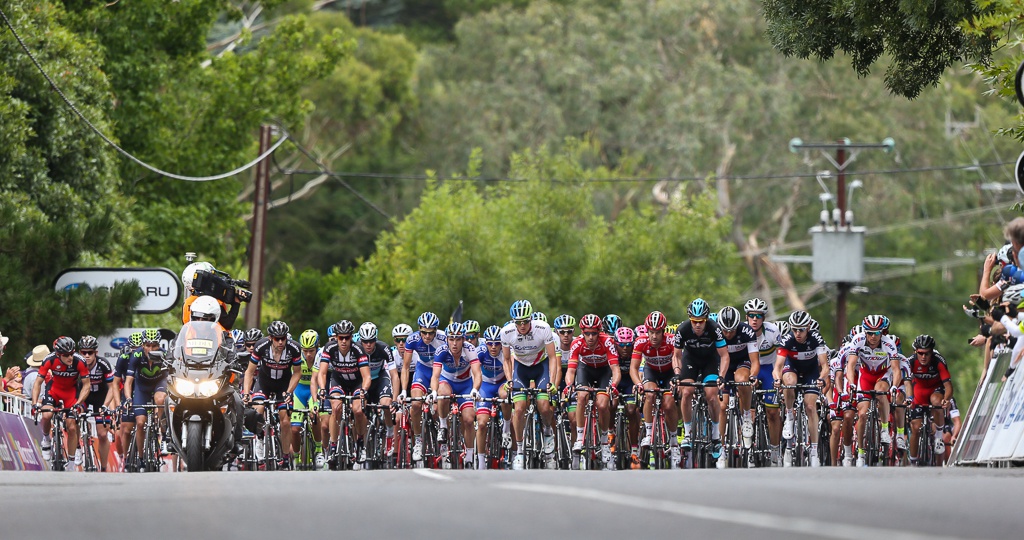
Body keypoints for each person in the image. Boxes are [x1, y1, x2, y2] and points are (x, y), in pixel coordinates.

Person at [501, 300, 559, 470]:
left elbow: (553, 357)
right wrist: (509, 380)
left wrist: (552, 382)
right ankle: (519, 451)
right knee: (518, 409)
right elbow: (506, 359)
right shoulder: (506, 332)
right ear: (513, 321)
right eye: (518, 322)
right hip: (521, 368)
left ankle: (548, 432)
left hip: (540, 366)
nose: (522, 325)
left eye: (526, 321)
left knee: (544, 406)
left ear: (531, 318)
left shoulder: (543, 328)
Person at [673, 298, 730, 461]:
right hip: (690, 360)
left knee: (712, 395)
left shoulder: (714, 328)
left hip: (709, 361)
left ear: (706, 320)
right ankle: (688, 432)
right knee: (686, 392)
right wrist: (677, 373)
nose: (697, 325)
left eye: (701, 322)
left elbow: (724, 355)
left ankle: (715, 437)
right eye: (694, 321)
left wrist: (722, 376)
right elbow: (676, 355)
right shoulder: (683, 329)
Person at [243, 320, 303, 469]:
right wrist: (246, 393)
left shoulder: (294, 348)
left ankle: (285, 456)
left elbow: (297, 373)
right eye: (277, 339)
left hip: (283, 384)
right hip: (264, 382)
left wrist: (289, 392)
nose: (281, 341)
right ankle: (261, 440)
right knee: (258, 410)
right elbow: (250, 372)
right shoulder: (261, 346)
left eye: (283, 338)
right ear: (270, 338)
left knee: (285, 420)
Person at [773, 310, 829, 467]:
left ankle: (814, 451)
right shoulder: (787, 340)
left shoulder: (816, 339)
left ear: (809, 327)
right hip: (793, 368)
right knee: (789, 382)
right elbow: (777, 367)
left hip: (811, 371)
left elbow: (825, 367)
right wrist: (777, 379)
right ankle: (789, 416)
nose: (797, 333)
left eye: (801, 330)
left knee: (810, 407)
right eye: (794, 329)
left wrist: (821, 379)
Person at [846, 314, 902, 467]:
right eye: (869, 333)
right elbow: (850, 366)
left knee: (880, 392)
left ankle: (884, 429)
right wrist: (851, 384)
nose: (873, 336)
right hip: (865, 376)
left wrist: (895, 386)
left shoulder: (888, 343)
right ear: (864, 332)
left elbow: (897, 370)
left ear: (881, 332)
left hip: (882, 375)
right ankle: (861, 454)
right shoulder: (857, 340)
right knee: (862, 414)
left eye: (876, 333)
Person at [565, 313, 619, 467]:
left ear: (599, 332)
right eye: (587, 333)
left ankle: (604, 442)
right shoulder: (576, 343)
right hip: (586, 369)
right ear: (582, 332)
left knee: (602, 404)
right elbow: (571, 370)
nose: (590, 337)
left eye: (594, 333)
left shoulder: (607, 341)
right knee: (581, 396)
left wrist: (613, 385)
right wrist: (569, 385)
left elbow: (615, 369)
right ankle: (580, 438)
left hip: (604, 371)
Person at [318, 320, 371, 466]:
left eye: (346, 338)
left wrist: (363, 390)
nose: (343, 341)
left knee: (358, 411)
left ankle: (360, 443)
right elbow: (322, 373)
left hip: (356, 383)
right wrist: (322, 389)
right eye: (340, 337)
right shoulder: (329, 348)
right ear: (336, 337)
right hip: (339, 381)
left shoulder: (358, 349)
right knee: (335, 408)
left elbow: (366, 376)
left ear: (350, 337)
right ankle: (333, 446)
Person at [631, 311, 681, 466]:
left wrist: (677, 378)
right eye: (651, 332)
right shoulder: (640, 342)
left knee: (668, 403)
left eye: (657, 332)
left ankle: (673, 440)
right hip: (650, 371)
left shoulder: (672, 341)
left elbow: (679, 360)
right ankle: (648, 430)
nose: (654, 336)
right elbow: (633, 368)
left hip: (668, 372)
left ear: (663, 331)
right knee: (649, 394)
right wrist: (638, 384)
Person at [32, 336, 90, 470]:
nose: (70, 358)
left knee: (71, 426)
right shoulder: (49, 360)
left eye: (72, 353)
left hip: (71, 392)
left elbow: (87, 385)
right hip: (54, 390)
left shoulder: (80, 362)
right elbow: (38, 383)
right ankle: (46, 438)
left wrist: (79, 403)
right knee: (46, 415)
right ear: (58, 355)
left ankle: (70, 463)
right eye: (66, 355)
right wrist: (35, 404)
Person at [430, 323, 482, 467]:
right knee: (443, 392)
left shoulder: (470, 349)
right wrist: (433, 391)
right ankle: (443, 426)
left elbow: (477, 374)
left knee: (469, 419)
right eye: (451, 339)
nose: (454, 343)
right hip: (447, 382)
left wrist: (475, 389)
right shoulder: (441, 351)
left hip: (465, 385)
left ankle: (470, 456)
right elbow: (435, 376)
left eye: (458, 339)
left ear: (463, 339)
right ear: (446, 339)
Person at [716, 306, 760, 467]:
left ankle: (746, 417)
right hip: (723, 366)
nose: (728, 334)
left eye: (731, 331)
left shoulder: (747, 331)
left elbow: (755, 361)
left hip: (742, 363)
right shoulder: (716, 331)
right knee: (721, 406)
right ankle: (720, 449)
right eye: (725, 331)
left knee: (742, 379)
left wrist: (753, 376)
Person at [355, 322, 399, 462]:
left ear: (376, 339)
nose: (368, 345)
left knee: (386, 404)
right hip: (362, 381)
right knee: (358, 409)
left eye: (371, 341)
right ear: (360, 340)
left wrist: (395, 399)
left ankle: (390, 433)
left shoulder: (384, 348)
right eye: (365, 341)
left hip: (380, 378)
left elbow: (394, 375)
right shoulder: (355, 348)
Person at [907, 334, 953, 464]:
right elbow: (904, 383)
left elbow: (948, 386)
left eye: (927, 354)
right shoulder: (910, 361)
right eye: (920, 353)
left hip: (935, 390)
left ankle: (938, 437)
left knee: (937, 401)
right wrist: (907, 398)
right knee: (915, 428)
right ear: (915, 351)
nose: (923, 357)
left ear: (931, 352)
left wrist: (947, 399)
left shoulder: (938, 361)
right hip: (918, 391)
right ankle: (913, 461)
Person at [123, 329, 168, 460]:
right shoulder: (136, 355)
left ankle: (164, 437)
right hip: (142, 387)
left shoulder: (164, 355)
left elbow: (172, 376)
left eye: (154, 345)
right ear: (143, 345)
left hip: (159, 383)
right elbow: (128, 381)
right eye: (147, 345)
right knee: (140, 422)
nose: (151, 348)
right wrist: (128, 398)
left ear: (159, 345)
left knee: (160, 399)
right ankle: (141, 458)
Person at [475, 325, 512, 469]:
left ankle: (507, 428)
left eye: (498, 343)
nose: (494, 347)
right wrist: (475, 389)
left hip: (502, 383)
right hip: (485, 385)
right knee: (482, 423)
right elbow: (475, 373)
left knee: (505, 395)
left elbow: (512, 370)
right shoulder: (480, 352)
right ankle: (481, 460)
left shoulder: (506, 351)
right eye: (490, 343)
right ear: (486, 343)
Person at [79, 336, 115, 471]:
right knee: (73, 419)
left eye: (90, 352)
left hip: (100, 398)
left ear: (96, 353)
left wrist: (106, 406)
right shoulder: (76, 364)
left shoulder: (103, 364)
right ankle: (78, 447)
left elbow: (112, 388)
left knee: (103, 434)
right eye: (83, 352)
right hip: (83, 397)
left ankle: (104, 467)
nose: (87, 355)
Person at [180, 261, 244, 329]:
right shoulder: (210, 302)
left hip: (190, 338)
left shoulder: (188, 302)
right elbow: (227, 323)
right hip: (213, 338)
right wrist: (236, 303)